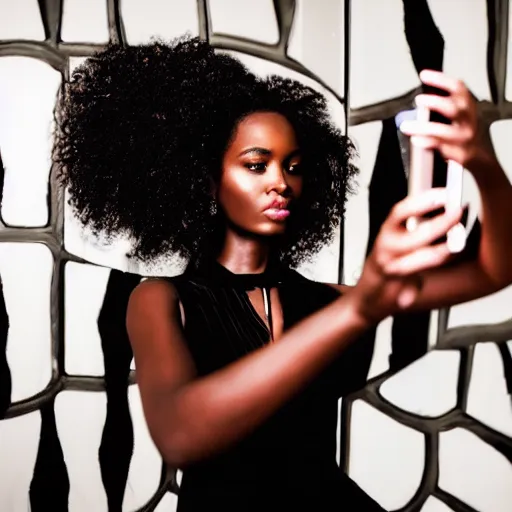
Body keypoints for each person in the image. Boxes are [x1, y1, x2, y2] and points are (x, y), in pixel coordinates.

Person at [53, 36, 512, 511]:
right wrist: (359, 308)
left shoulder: (330, 300)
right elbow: (180, 434)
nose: (281, 182)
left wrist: (482, 161)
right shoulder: (161, 300)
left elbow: (494, 270)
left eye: (293, 166)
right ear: (206, 180)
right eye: (257, 165)